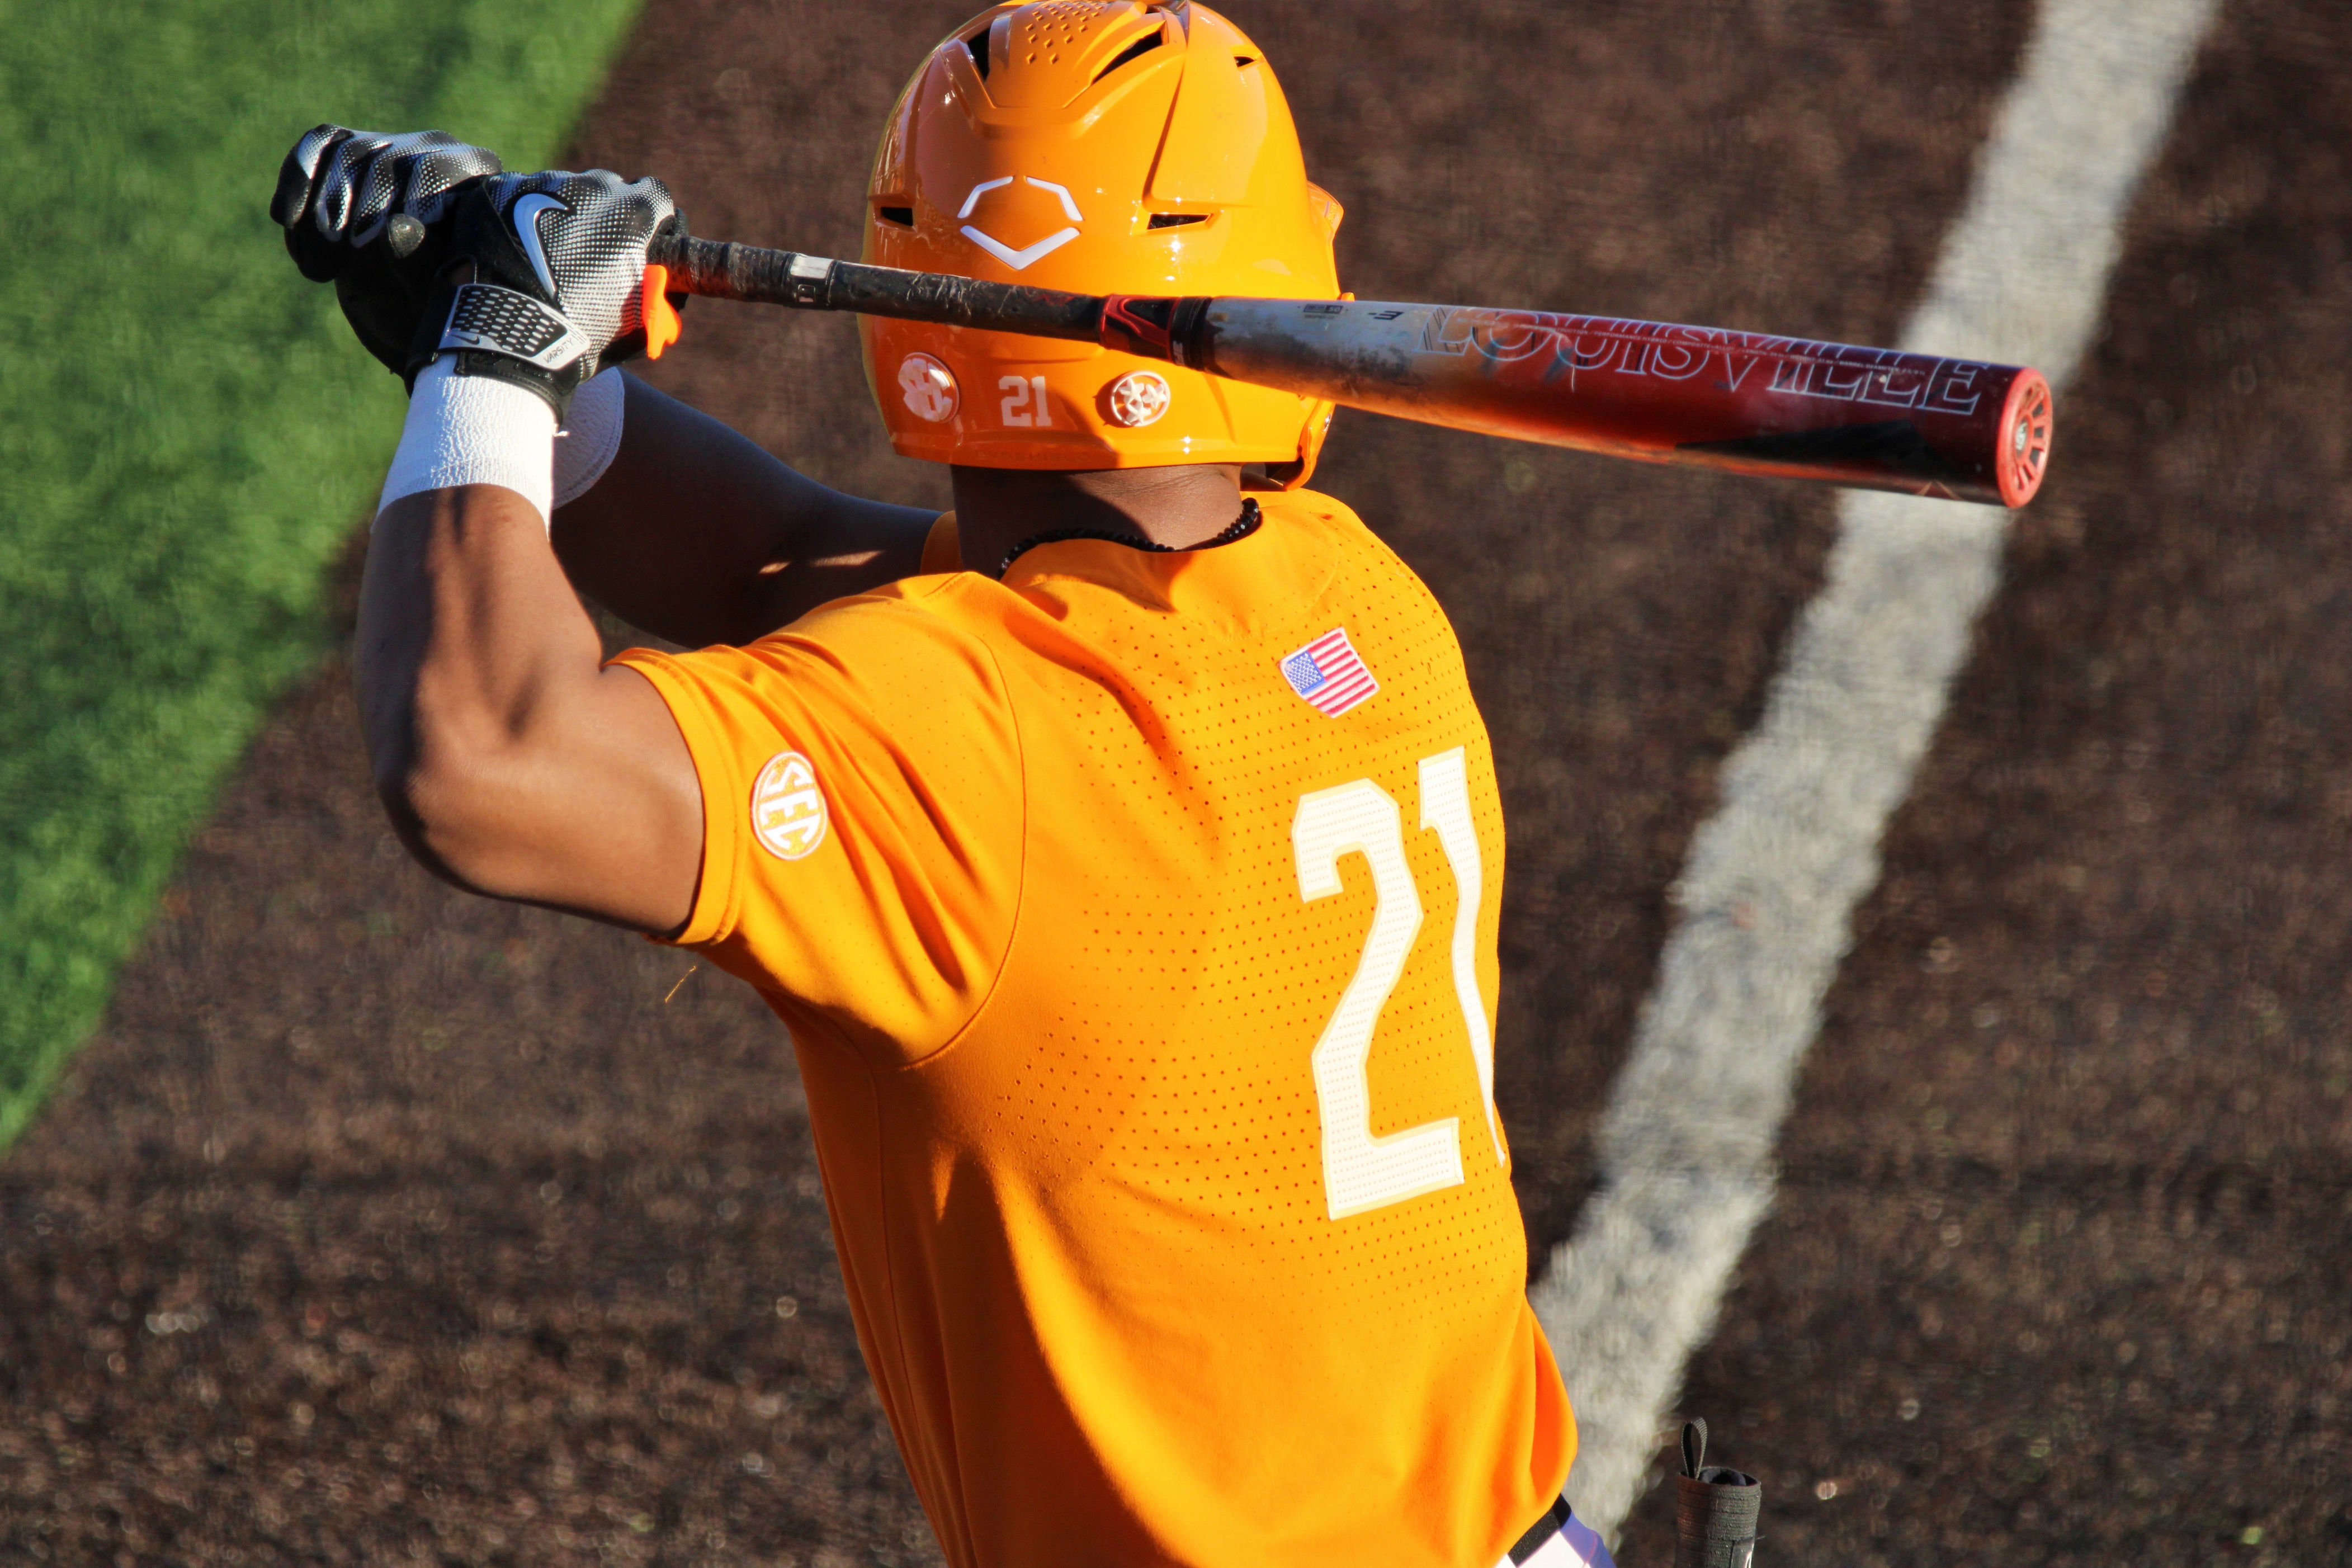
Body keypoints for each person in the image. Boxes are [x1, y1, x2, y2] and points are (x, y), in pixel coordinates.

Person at [272, 5, 1607, 1565]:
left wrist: (494, 371)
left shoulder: (973, 731)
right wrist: (512, 374)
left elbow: (481, 760)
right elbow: (782, 551)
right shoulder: (1347, 602)